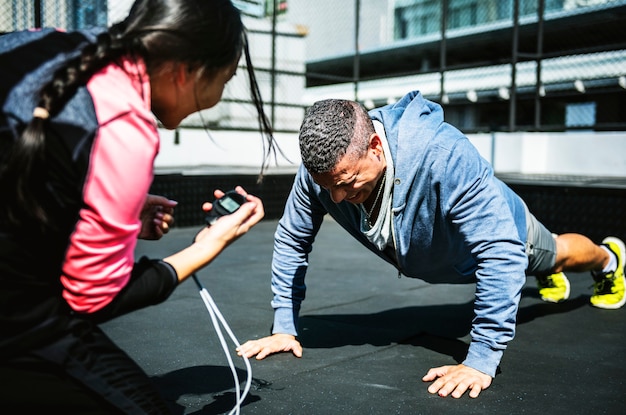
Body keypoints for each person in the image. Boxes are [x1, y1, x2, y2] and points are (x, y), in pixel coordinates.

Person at [237, 91, 625, 399]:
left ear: (375, 145)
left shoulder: (442, 155)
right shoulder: (321, 175)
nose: (336, 198)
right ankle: (547, 274)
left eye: (347, 182)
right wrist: (285, 327)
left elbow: (500, 251)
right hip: (449, 256)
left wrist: (481, 359)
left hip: (507, 231)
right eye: (327, 187)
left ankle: (609, 260)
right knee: (535, 267)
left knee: (558, 253)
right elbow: (292, 238)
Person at [0, 0, 276, 413]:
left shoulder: (46, 42)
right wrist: (208, 245)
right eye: (226, 79)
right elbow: (91, 298)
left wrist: (94, 200)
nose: (219, 95)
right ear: (186, 72)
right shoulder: (124, 129)